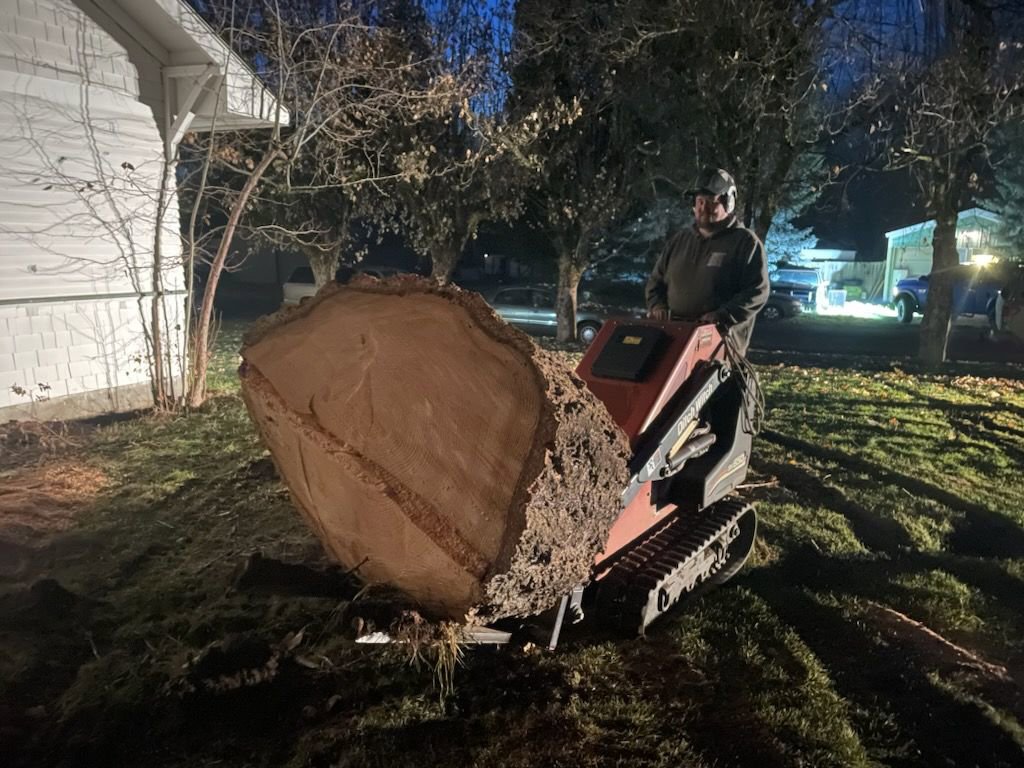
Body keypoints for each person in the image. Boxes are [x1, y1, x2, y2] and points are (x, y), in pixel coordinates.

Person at [645, 167, 770, 355]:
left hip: (719, 346)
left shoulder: (745, 243)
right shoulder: (680, 241)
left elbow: (757, 291)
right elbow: (655, 282)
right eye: (700, 201)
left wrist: (723, 316)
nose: (703, 208)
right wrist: (657, 306)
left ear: (728, 202)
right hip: (673, 340)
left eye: (711, 202)